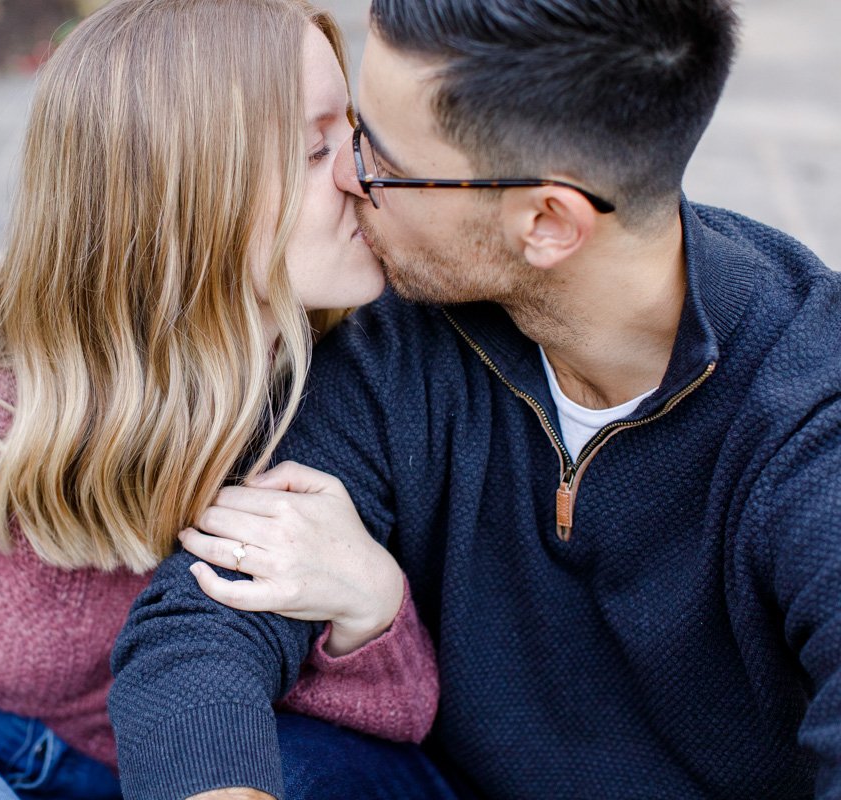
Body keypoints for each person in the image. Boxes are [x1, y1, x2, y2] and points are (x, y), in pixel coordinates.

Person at [108, 0, 841, 798]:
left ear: (548, 223)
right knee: (278, 760)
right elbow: (195, 635)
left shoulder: (811, 430)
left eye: (383, 156)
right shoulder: (401, 335)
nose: (351, 175)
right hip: (442, 785)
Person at [0, 1, 444, 798]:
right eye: (315, 148)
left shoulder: (353, 381)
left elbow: (378, 742)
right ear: (182, 202)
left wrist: (369, 611)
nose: (361, 170)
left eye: (354, 128)